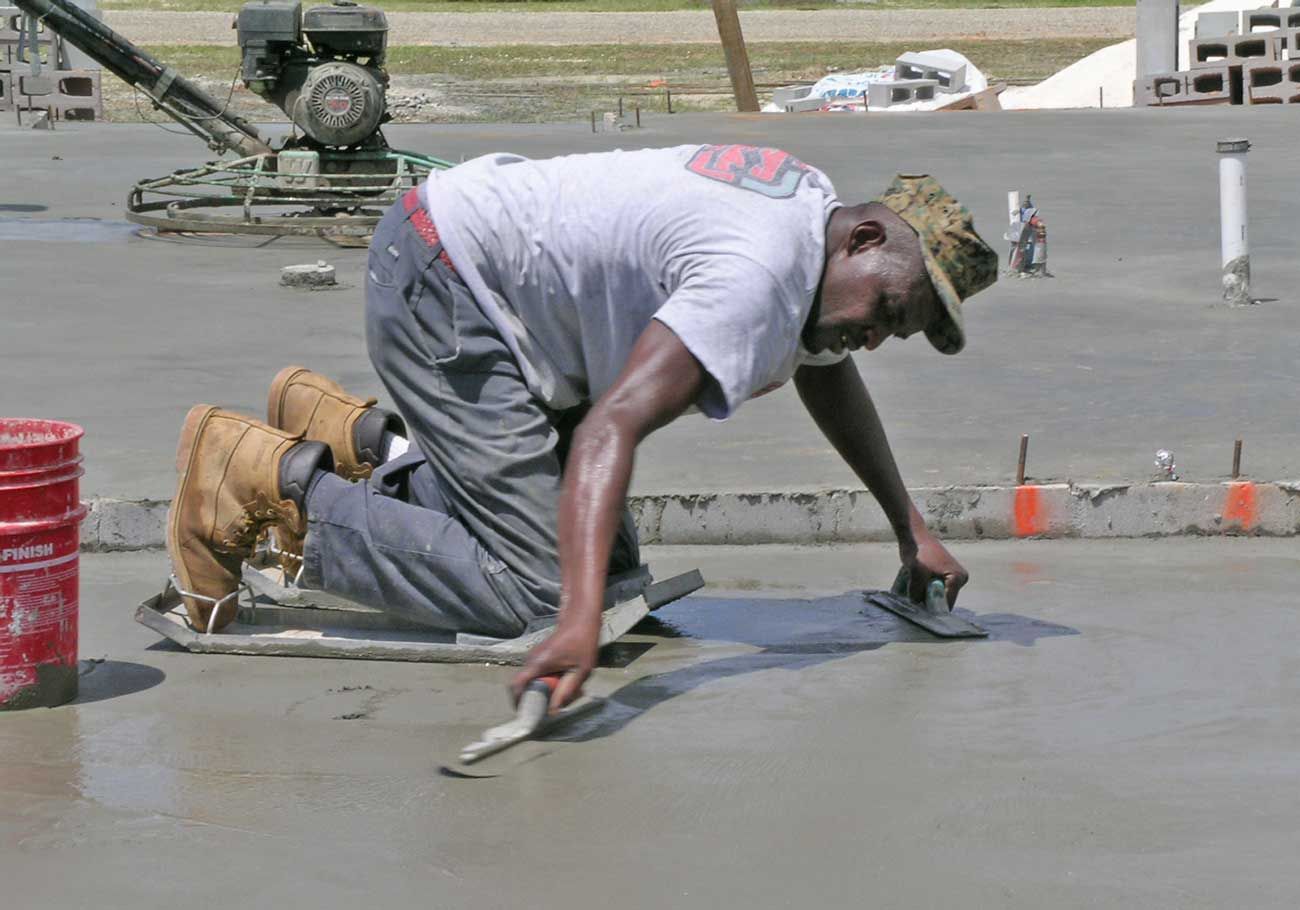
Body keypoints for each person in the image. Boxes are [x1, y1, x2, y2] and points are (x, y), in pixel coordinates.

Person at [165, 144, 998, 709]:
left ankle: (363, 443)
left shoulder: (811, 221)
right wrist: (569, 620)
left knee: (615, 568)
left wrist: (908, 529)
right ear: (863, 237)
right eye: (888, 309)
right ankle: (262, 484)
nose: (877, 336)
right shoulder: (759, 274)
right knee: (542, 592)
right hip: (449, 291)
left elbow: (829, 373)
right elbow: (610, 431)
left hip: (491, 293)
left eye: (900, 332)